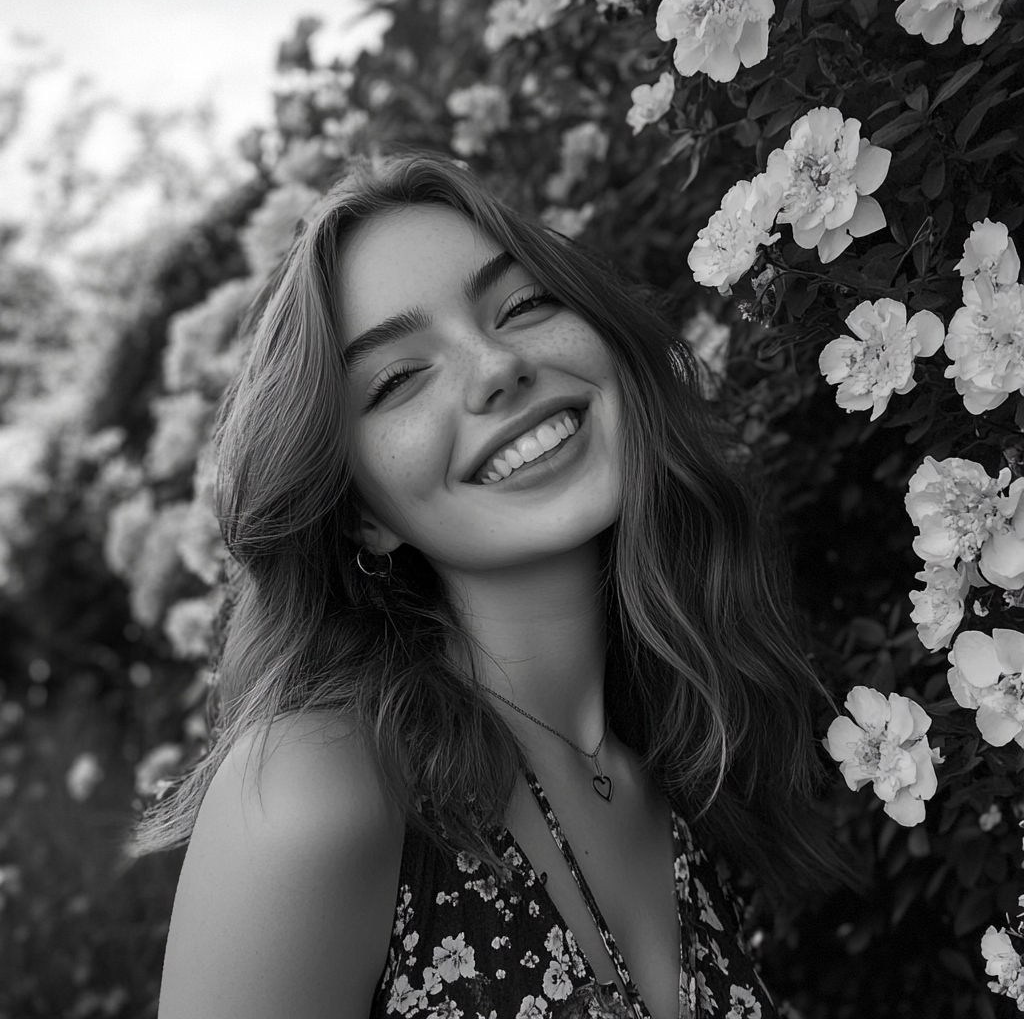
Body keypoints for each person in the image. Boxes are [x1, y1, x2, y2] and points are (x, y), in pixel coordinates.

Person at [142, 154, 861, 1019]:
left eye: (522, 305)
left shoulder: (679, 782)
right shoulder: (317, 792)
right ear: (362, 516)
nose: (495, 367)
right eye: (399, 378)